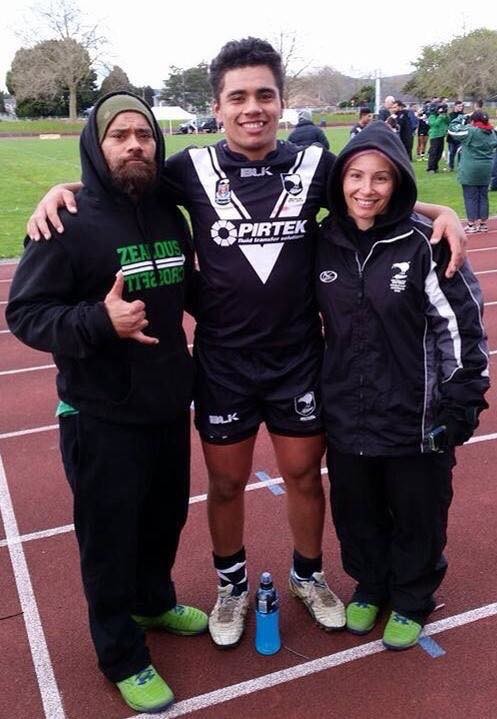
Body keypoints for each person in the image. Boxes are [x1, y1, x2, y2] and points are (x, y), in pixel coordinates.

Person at [25, 37, 467, 651]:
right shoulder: (187, 169)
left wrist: (438, 209)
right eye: (238, 97)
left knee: (306, 478)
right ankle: (230, 585)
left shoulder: (316, 166)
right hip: (224, 362)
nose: (252, 107)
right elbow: (119, 177)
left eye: (265, 94)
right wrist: (62, 191)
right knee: (226, 485)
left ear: (281, 102)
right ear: (219, 104)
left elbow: (379, 188)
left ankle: (308, 578)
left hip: (298, 360)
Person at [6, 92, 208, 715]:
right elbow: (26, 314)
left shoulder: (171, 211)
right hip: (100, 416)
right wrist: (100, 320)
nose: (134, 146)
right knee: (109, 538)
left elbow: (195, 285)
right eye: (119, 135)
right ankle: (120, 653)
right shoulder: (64, 220)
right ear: (97, 145)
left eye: (144, 134)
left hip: (169, 403)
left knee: (164, 517)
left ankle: (152, 601)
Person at [316, 120, 489, 651]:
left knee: (418, 510)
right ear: (340, 180)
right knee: (355, 507)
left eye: (382, 178)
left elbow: (460, 327)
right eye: (356, 176)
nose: (366, 189)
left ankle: (412, 597)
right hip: (346, 411)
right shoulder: (322, 242)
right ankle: (370, 584)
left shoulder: (425, 243)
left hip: (417, 415)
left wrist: (460, 403)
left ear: (399, 184)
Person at [448, 110, 497, 233]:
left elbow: (452, 129)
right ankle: (483, 223)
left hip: (471, 168)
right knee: (483, 196)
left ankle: (471, 224)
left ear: (474, 120)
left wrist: (462, 117)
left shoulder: (471, 131)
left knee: (470, 196)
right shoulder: (491, 133)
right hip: (486, 167)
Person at [427, 100, 450, 173]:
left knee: (439, 152)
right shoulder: (432, 116)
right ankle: (431, 168)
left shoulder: (442, 115)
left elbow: (448, 121)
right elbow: (434, 124)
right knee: (433, 152)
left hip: (441, 135)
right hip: (434, 136)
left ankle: (435, 166)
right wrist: (440, 116)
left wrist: (445, 115)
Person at [447, 100, 465, 171]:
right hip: (452, 137)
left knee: (460, 152)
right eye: (459, 106)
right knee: (452, 152)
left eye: (461, 106)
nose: (461, 107)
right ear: (455, 106)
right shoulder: (450, 115)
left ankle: (460, 167)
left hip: (460, 137)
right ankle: (450, 167)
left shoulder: (463, 115)